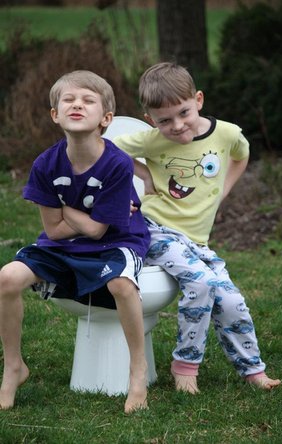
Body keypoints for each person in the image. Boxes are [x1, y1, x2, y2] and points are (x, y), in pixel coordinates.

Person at [114, 62, 281, 394]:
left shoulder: (227, 133)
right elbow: (106, 148)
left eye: (183, 113)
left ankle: (253, 370)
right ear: (150, 119)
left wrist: (222, 193)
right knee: (202, 282)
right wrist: (144, 174)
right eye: (164, 120)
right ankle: (186, 366)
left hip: (196, 241)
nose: (176, 126)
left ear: (198, 100)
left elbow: (241, 156)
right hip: (155, 229)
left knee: (231, 301)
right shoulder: (151, 140)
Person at [0, 70, 151, 414]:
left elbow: (99, 231)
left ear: (106, 118)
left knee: (122, 285)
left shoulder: (116, 163)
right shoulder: (45, 164)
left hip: (118, 241)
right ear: (56, 114)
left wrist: (64, 208)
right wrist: (88, 216)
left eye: (87, 100)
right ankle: (13, 367)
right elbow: (53, 232)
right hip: (63, 246)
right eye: (68, 100)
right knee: (7, 277)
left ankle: (137, 368)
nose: (77, 105)